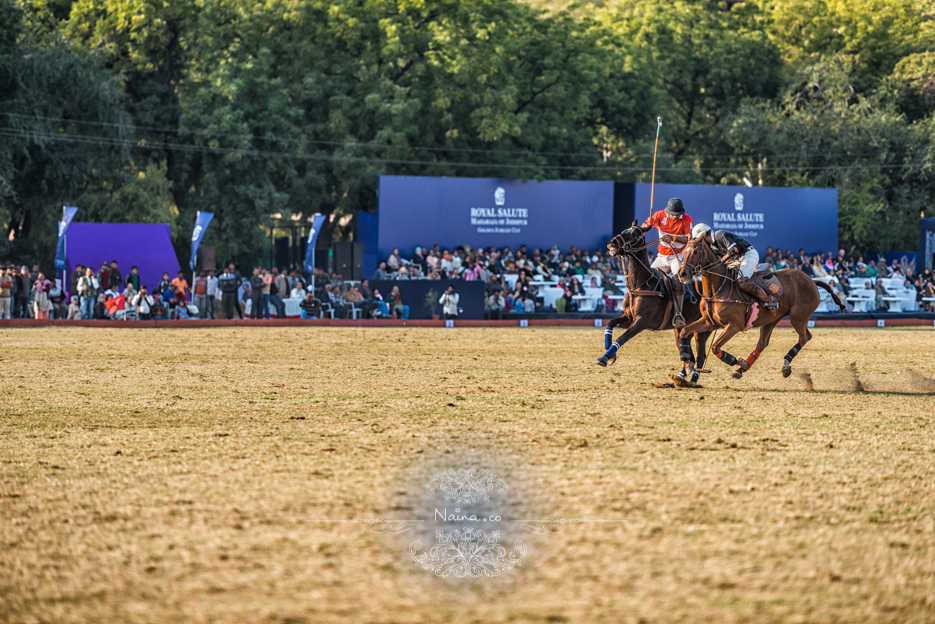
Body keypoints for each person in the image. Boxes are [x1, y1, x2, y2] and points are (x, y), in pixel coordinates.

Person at [639, 198, 693, 326]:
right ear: (667, 212)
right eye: (673, 214)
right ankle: (644, 311)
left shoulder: (686, 219)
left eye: (678, 214)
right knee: (646, 279)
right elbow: (642, 229)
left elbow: (689, 239)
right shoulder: (659, 215)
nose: (676, 217)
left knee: (679, 280)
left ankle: (678, 315)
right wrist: (647, 224)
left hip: (677, 256)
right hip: (661, 256)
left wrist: (673, 238)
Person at [691, 223, 771, 305]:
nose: (700, 243)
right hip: (736, 260)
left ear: (704, 235)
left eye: (700, 240)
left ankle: (768, 300)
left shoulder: (719, 235)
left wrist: (721, 261)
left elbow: (734, 250)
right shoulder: (712, 246)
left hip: (748, 254)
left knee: (742, 281)